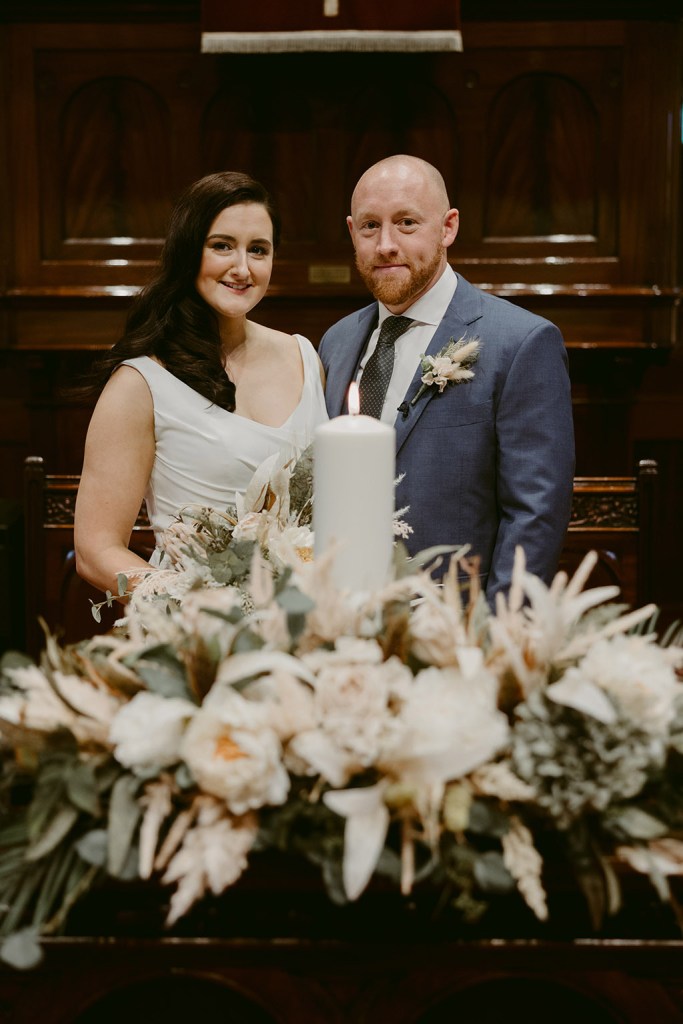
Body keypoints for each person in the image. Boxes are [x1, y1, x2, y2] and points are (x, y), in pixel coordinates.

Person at [318, 154, 575, 603]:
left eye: (407, 222)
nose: (386, 245)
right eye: (369, 226)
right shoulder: (336, 342)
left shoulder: (521, 342)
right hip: (341, 615)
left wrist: (497, 639)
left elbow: (534, 513)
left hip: (458, 622)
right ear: (351, 233)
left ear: (448, 227)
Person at [74, 171, 328, 598]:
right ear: (189, 250)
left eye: (259, 250)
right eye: (222, 246)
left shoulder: (304, 355)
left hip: (306, 621)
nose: (242, 268)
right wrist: (188, 601)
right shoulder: (140, 383)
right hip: (200, 627)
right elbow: (95, 550)